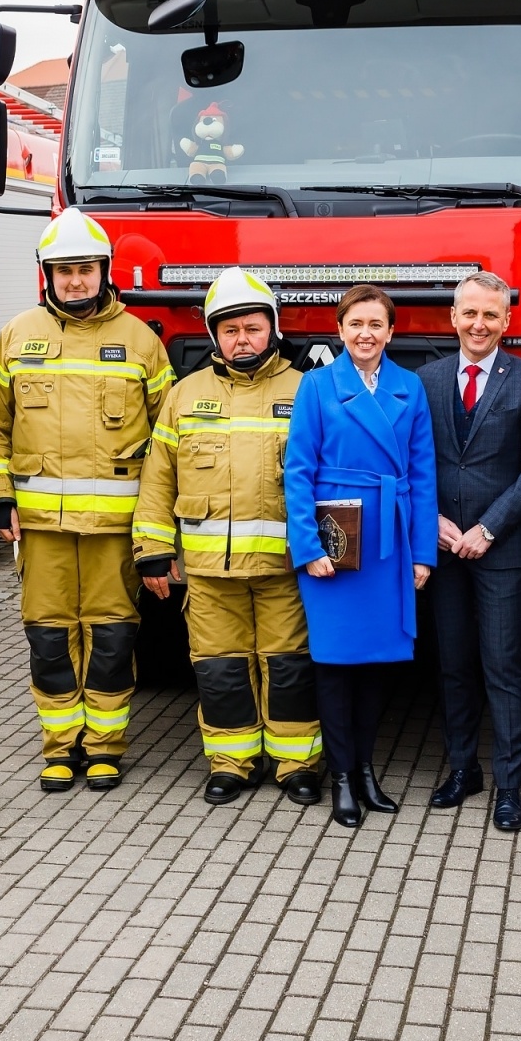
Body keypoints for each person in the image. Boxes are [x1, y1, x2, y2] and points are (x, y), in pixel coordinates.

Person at [0, 208, 174, 792]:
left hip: (116, 530)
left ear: (104, 272)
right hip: (42, 530)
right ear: (47, 275)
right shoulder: (17, 336)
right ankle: (60, 747)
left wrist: (157, 528)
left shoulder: (142, 341)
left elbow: (167, 443)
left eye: (85, 269)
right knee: (48, 636)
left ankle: (107, 747)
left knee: (113, 637)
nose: (75, 281)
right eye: (63, 271)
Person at [133, 268, 322, 807]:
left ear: (274, 330)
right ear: (215, 335)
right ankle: (232, 761)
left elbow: (330, 478)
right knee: (219, 669)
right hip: (209, 572)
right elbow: (158, 479)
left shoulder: (306, 390)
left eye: (253, 328)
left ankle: (297, 762)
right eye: (231, 329)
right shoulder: (184, 395)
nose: (243, 339)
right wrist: (152, 553)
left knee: (289, 669)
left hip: (288, 568)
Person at [284, 285, 438, 829]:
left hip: (388, 543)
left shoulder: (410, 387)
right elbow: (297, 471)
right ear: (341, 329)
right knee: (334, 663)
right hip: (338, 539)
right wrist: (308, 548)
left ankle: (366, 769)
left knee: (377, 665)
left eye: (377, 324)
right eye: (356, 324)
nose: (366, 334)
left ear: (391, 332)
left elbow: (421, 475)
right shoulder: (316, 385)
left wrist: (422, 553)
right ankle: (343, 776)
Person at [416, 272, 521, 832]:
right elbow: (412, 467)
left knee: (503, 667)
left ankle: (509, 786)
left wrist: (489, 528)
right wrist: (436, 523)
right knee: (453, 666)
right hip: (444, 546)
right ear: (453, 318)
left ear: (506, 321)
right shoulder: (425, 380)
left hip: (497, 549)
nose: (479, 325)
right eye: (469, 314)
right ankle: (462, 769)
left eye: (490, 316)